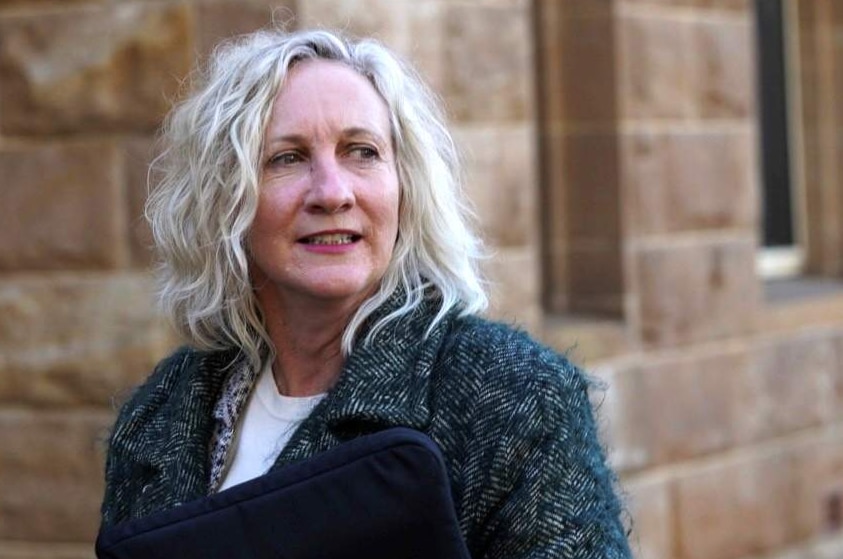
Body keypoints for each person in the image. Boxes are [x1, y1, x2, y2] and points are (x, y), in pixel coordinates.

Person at [100, 27, 632, 558]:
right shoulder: (163, 411)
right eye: (286, 158)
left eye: (362, 151)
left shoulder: (515, 396)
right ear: (224, 199)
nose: (332, 192)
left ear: (406, 187)